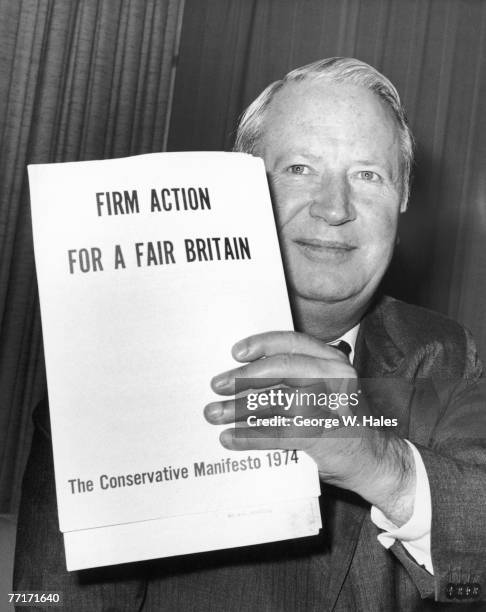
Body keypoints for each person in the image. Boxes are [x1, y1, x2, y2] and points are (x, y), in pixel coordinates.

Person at [14, 58, 486, 611]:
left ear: (402, 199)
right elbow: (47, 601)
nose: (335, 209)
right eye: (300, 169)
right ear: (237, 188)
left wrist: (380, 463)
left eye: (368, 175)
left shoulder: (448, 353)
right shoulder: (117, 368)